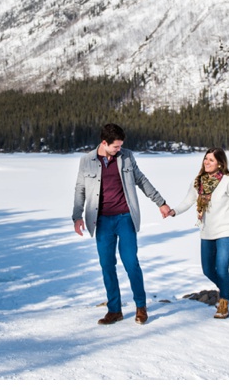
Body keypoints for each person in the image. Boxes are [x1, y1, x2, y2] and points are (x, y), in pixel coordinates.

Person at [73, 123, 171, 325]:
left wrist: (160, 202)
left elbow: (141, 180)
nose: (119, 149)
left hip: (125, 217)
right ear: (104, 143)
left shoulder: (126, 156)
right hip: (101, 220)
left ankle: (141, 307)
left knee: (130, 262)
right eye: (115, 146)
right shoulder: (87, 161)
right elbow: (80, 189)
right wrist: (77, 216)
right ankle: (114, 310)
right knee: (107, 265)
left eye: (120, 146)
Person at [163, 147, 229, 319]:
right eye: (205, 159)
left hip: (227, 230)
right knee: (208, 269)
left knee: (222, 268)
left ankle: (223, 302)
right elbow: (188, 201)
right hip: (207, 231)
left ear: (220, 163)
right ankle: (226, 287)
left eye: (211, 160)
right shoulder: (198, 181)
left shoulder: (228, 180)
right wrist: (174, 211)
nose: (207, 162)